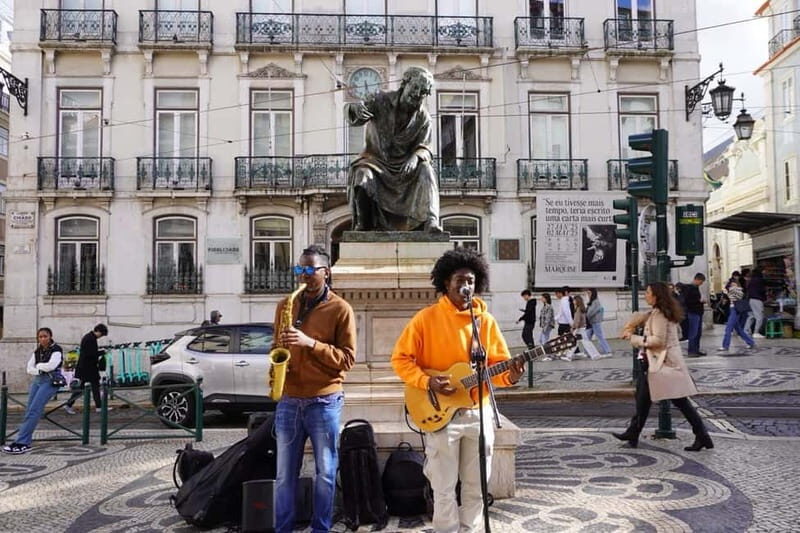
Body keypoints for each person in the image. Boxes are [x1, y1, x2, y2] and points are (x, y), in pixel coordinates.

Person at [391, 247, 524, 532]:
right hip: (440, 417)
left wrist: (510, 376)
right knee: (443, 487)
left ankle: (472, 529)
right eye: (460, 280)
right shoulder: (425, 319)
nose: (466, 286)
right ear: (445, 283)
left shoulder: (485, 322)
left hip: (478, 413)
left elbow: (497, 370)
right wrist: (427, 381)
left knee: (476, 487)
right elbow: (400, 359)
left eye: (471, 281)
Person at [272, 245, 356, 533]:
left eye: (310, 270)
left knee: (325, 474)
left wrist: (310, 344)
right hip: (289, 401)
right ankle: (282, 529)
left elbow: (347, 359)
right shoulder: (286, 305)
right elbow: (276, 348)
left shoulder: (341, 309)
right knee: (283, 476)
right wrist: (278, 366)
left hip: (324, 401)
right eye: (300, 270)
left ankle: (321, 529)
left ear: (326, 272)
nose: (304, 276)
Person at [614, 282, 714, 452]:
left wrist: (634, 338)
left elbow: (658, 341)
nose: (645, 295)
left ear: (656, 296)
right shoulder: (660, 313)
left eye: (648, 292)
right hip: (663, 364)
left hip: (663, 365)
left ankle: (702, 435)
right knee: (644, 399)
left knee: (679, 402)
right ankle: (633, 433)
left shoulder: (660, 315)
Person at [347, 66, 442, 233]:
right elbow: (355, 115)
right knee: (362, 174)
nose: (418, 94)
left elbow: (426, 147)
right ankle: (363, 225)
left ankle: (431, 221)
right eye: (415, 88)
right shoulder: (380, 99)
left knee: (426, 170)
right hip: (376, 162)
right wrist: (356, 109)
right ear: (404, 84)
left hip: (405, 168)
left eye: (423, 92)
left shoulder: (423, 118)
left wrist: (415, 158)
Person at [2, 328, 64, 454]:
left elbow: (52, 366)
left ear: (50, 336)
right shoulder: (38, 350)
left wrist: (39, 366)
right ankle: (25, 440)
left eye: (45, 336)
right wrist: (40, 369)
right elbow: (29, 368)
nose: (42, 339)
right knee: (29, 410)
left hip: (50, 381)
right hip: (38, 380)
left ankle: (21, 442)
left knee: (34, 410)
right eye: (40, 337)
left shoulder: (56, 349)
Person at [63, 323, 109, 414]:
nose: (101, 337)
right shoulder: (90, 339)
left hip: (87, 368)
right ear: (98, 331)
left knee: (91, 387)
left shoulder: (90, 337)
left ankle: (98, 407)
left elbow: (90, 352)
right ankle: (69, 404)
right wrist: (102, 352)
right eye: (102, 334)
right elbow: (90, 354)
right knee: (85, 388)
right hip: (87, 368)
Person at [717, 279, 756, 353]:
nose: (733, 285)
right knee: (738, 329)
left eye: (734, 284)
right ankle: (750, 342)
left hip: (735, 309)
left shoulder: (737, 290)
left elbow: (738, 296)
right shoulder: (734, 290)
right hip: (733, 309)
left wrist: (729, 290)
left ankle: (725, 345)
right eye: (731, 284)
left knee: (728, 328)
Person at [683, 273, 707, 357]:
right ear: (697, 280)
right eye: (701, 281)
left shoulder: (696, 288)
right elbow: (688, 301)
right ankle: (692, 350)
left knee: (698, 333)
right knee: (693, 332)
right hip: (693, 312)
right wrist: (699, 301)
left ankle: (696, 349)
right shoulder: (690, 288)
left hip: (698, 312)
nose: (701, 284)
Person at [585, 288, 613, 355]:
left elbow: (590, 312)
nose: (588, 295)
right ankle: (587, 351)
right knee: (587, 337)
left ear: (593, 293)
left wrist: (585, 315)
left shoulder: (595, 302)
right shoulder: (592, 301)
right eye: (587, 293)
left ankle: (607, 350)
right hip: (591, 322)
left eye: (589, 293)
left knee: (599, 337)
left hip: (595, 322)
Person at [745, 268, 766, 338]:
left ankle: (746, 330)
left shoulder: (751, 281)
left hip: (751, 300)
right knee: (759, 316)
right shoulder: (760, 280)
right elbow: (762, 291)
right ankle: (756, 332)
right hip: (757, 299)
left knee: (751, 316)